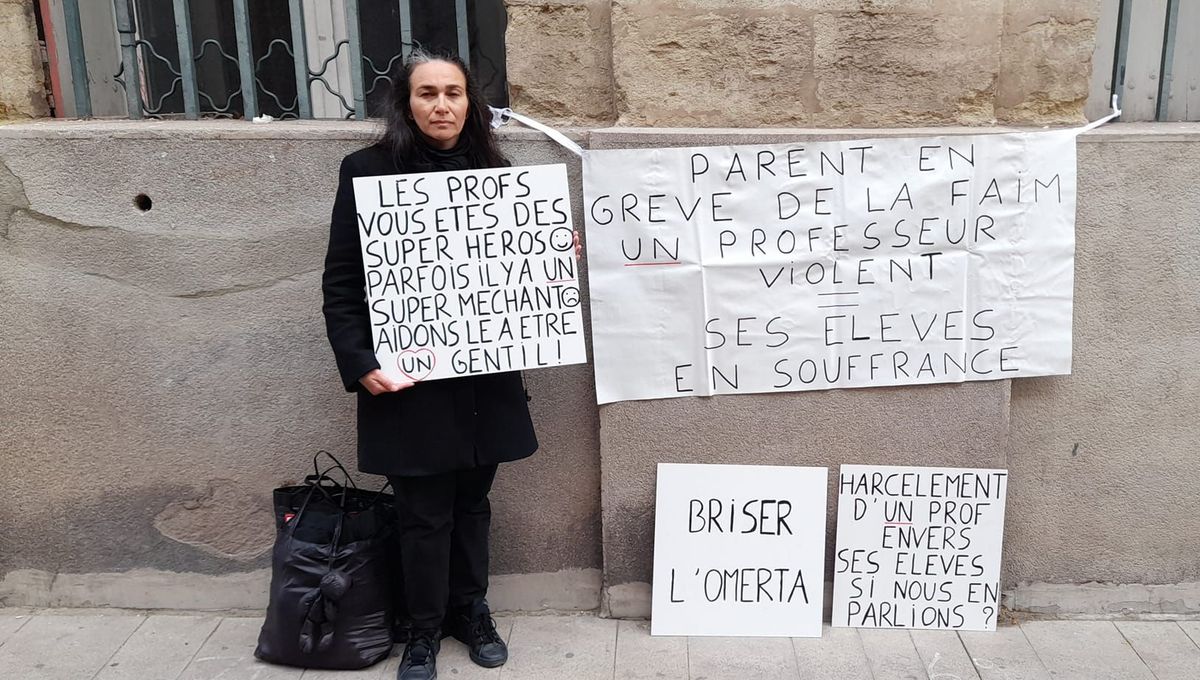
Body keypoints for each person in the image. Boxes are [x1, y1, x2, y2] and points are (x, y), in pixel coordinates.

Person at [321, 50, 538, 680]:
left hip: (482, 378)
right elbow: (342, 283)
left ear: (471, 103)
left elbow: (510, 273)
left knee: (473, 504)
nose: (441, 105)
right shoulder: (365, 172)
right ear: (405, 103)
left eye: (453, 93)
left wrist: (547, 248)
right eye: (427, 94)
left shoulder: (495, 172)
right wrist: (359, 361)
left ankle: (470, 611)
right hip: (407, 379)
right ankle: (420, 632)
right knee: (422, 512)